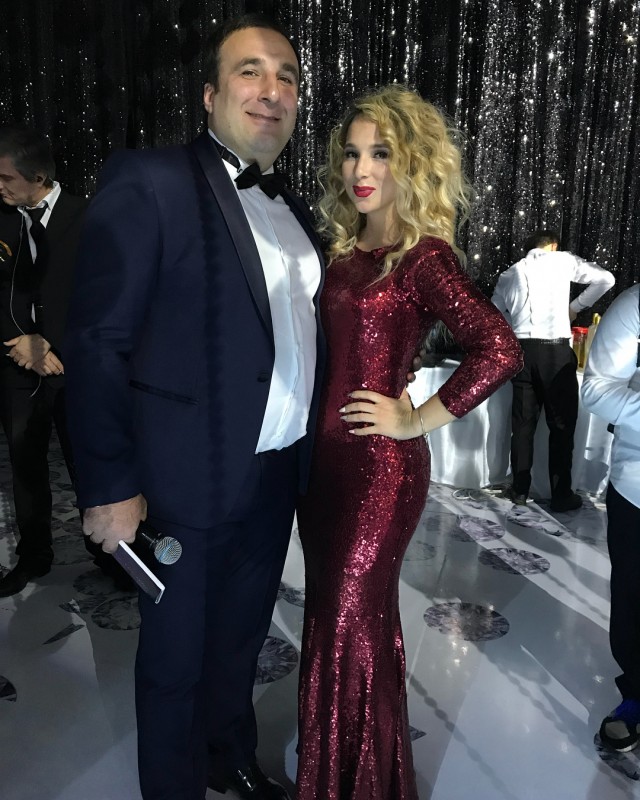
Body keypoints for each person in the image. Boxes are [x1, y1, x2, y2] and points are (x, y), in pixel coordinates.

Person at [64, 14, 326, 800]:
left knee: (241, 638)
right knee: (175, 661)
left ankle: (229, 758)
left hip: (275, 474)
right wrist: (109, 486)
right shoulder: (150, 180)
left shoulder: (295, 208)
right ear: (210, 94)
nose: (272, 89)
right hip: (181, 480)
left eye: (287, 77)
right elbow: (97, 341)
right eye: (251, 71)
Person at [294, 85, 523, 800]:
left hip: (378, 471)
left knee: (348, 620)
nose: (361, 169)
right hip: (321, 466)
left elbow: (499, 348)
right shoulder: (343, 250)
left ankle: (355, 786)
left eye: (382, 153)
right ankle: (347, 776)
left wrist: (418, 419)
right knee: (333, 620)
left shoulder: (422, 257)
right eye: (352, 153)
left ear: (413, 162)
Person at [0, 126, 92, 597]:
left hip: (76, 369)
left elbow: (105, 300)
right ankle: (33, 556)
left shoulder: (90, 215)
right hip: (17, 366)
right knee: (26, 467)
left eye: (6, 178)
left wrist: (55, 349)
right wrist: (18, 343)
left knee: (88, 465)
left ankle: (109, 553)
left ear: (38, 176)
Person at [492, 229, 615, 511]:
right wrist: (575, 307)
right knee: (561, 426)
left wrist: (514, 324)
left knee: (522, 427)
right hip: (555, 353)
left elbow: (494, 312)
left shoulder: (510, 273)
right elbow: (606, 279)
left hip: (521, 352)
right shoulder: (563, 260)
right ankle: (561, 495)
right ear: (553, 246)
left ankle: (519, 490)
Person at [580, 283, 640, 752]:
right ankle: (637, 693)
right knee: (634, 600)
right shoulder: (636, 304)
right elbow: (597, 388)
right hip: (638, 487)